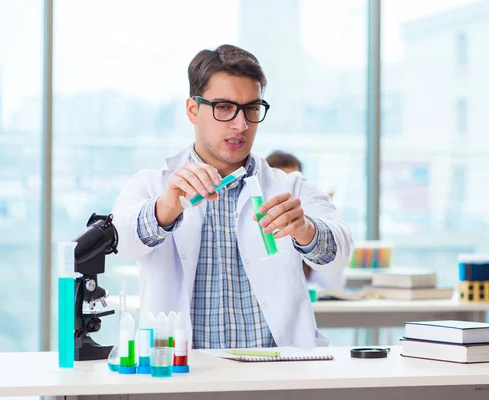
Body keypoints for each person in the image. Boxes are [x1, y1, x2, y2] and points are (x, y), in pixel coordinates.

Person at [112, 44, 353, 349]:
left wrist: (306, 232)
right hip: (184, 379)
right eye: (224, 107)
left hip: (276, 375)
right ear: (192, 110)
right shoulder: (153, 185)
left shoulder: (289, 187)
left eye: (251, 108)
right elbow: (121, 240)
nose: (241, 124)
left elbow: (340, 254)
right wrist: (166, 208)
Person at [266, 150, 344, 291]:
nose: (286, 196)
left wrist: (310, 233)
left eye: (293, 185)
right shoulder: (258, 228)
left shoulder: (312, 229)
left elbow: (331, 286)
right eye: (281, 185)